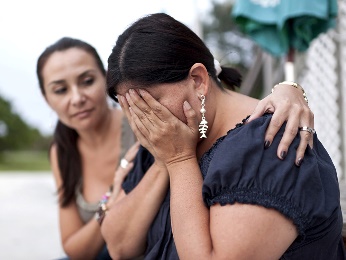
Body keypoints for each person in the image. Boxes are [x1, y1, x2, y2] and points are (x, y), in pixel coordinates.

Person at [102, 13, 345, 259]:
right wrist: (164, 160)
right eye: (130, 107)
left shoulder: (268, 145)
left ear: (198, 81)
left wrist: (179, 161)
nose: (143, 120)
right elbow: (119, 246)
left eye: (149, 103)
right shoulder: (163, 141)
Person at [36, 37, 139, 259]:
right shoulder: (61, 151)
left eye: (87, 81)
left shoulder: (139, 127)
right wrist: (109, 202)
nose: (77, 98)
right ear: (47, 99)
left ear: (105, 79)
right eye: (61, 90)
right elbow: (74, 248)